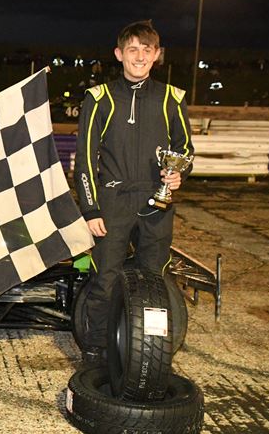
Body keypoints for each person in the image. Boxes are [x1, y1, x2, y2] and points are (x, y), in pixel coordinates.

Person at [74, 20, 194, 364]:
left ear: (157, 55)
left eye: (146, 50)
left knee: (154, 281)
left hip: (158, 202)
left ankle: (150, 357)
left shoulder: (172, 98)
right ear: (119, 54)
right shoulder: (99, 98)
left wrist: (178, 175)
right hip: (112, 202)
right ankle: (95, 354)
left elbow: (185, 150)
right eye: (132, 50)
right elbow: (84, 159)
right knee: (105, 279)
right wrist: (91, 209)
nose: (139, 57)